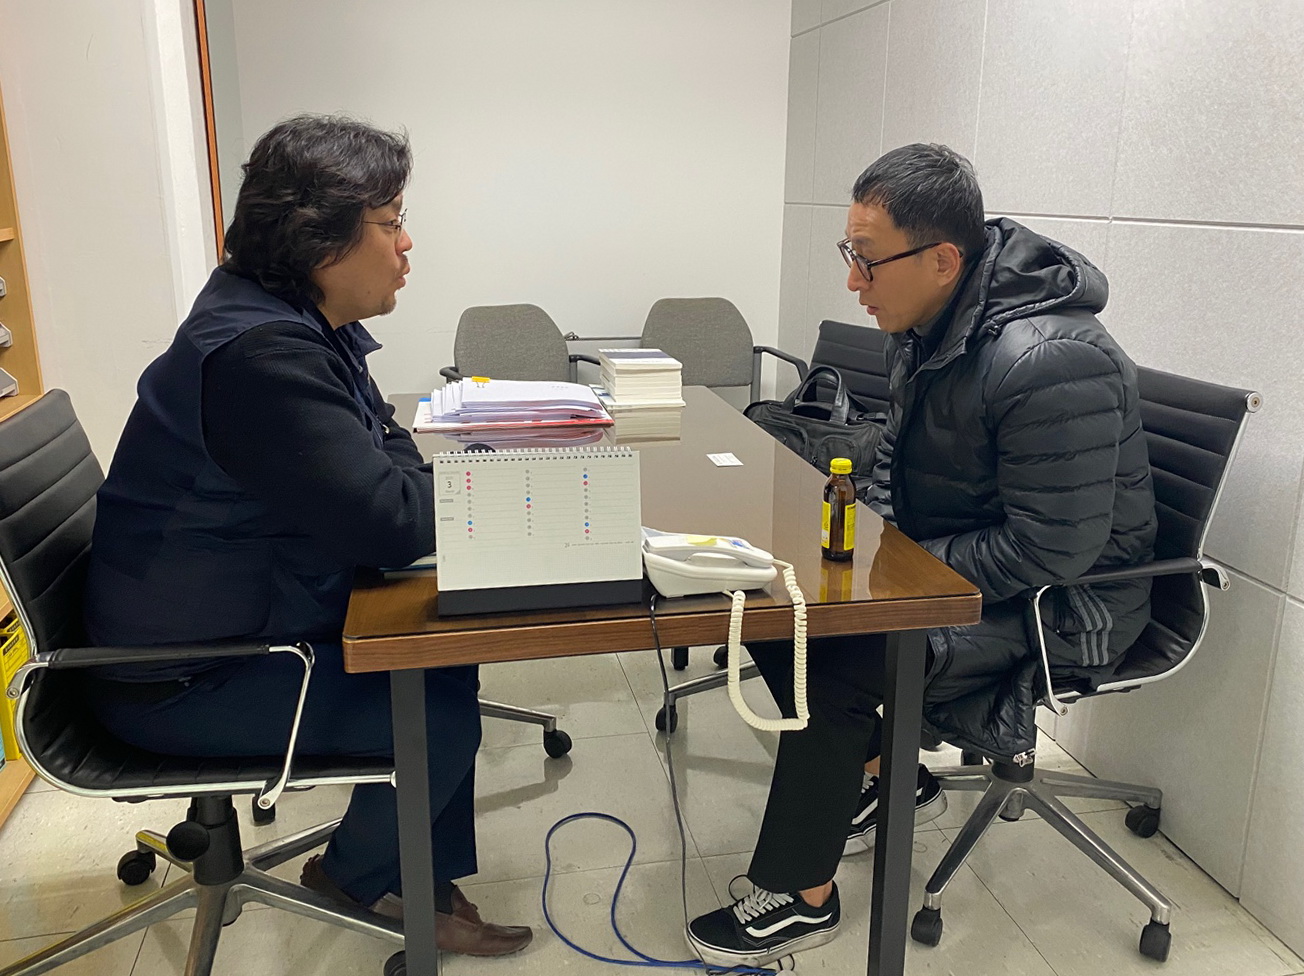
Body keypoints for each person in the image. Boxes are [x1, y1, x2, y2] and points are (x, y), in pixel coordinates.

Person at [687, 143, 1156, 969]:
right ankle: (886, 771)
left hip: (1066, 604)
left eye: (867, 260)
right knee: (770, 604)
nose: (852, 282)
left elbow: (1054, 545)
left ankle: (801, 895)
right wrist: (866, 544)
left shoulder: (1048, 360)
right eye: (850, 254)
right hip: (963, 571)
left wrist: (900, 576)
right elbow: (900, 464)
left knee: (833, 658)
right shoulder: (934, 325)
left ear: (943, 260)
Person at [81, 114, 531, 957]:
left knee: (442, 659)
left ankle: (418, 873)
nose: (407, 244)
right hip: (183, 679)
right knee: (435, 714)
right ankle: (354, 878)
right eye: (391, 222)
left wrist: (418, 480)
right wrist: (472, 488)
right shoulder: (261, 356)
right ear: (322, 240)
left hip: (230, 629)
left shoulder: (292, 318)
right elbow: (391, 520)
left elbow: (388, 447)